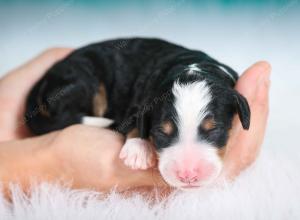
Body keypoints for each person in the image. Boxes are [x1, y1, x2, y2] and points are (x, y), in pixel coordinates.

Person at [0, 48, 271, 197]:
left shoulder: (228, 92)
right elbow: (138, 114)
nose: (188, 171)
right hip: (87, 73)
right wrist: (135, 136)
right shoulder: (150, 102)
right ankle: (56, 117)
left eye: (212, 134)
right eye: (164, 136)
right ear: (147, 118)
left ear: (240, 113)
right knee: (76, 89)